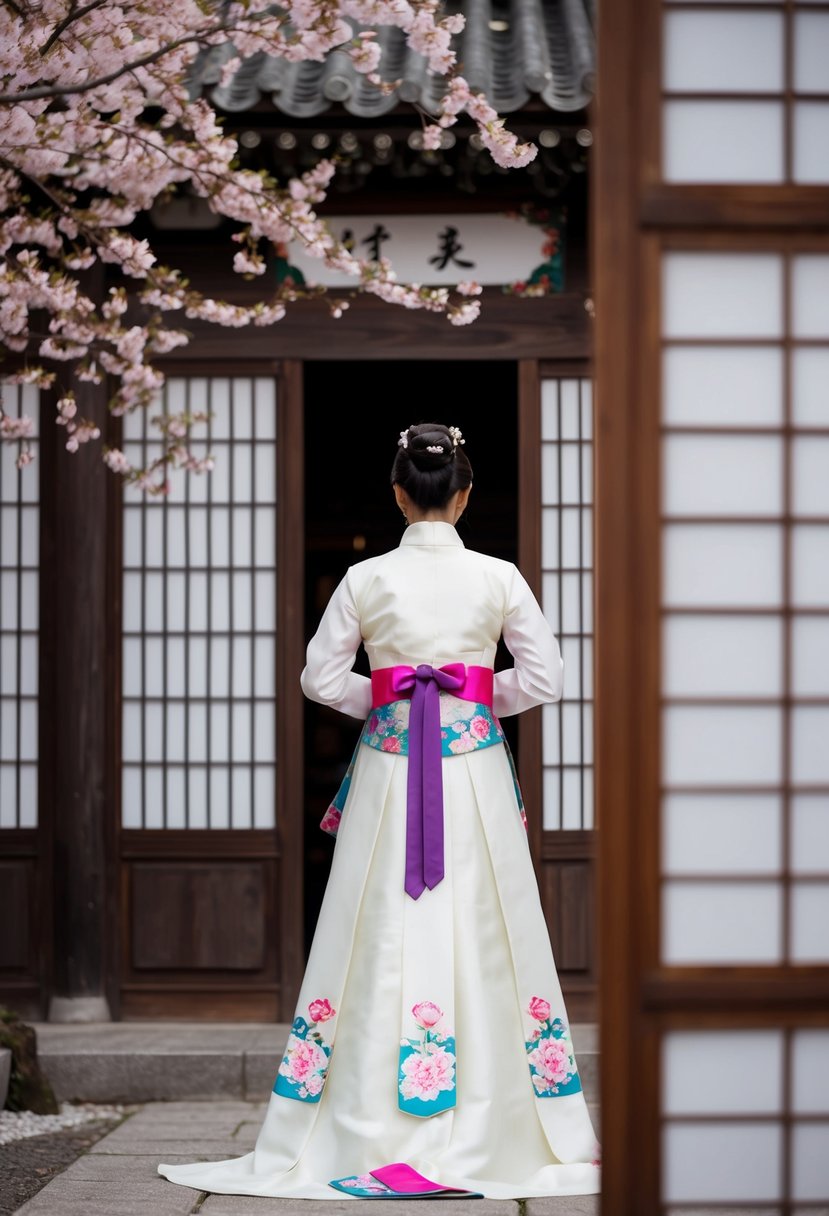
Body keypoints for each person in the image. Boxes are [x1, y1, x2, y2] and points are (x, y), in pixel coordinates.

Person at [158, 422, 601, 1201]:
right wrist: (473, 700)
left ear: (398, 493)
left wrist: (390, 701)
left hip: (390, 770)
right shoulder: (498, 577)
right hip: (473, 772)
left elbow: (319, 678)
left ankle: (360, 1117)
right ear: (463, 494)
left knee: (373, 924)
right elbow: (545, 676)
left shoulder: (366, 578)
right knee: (488, 924)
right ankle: (500, 1118)